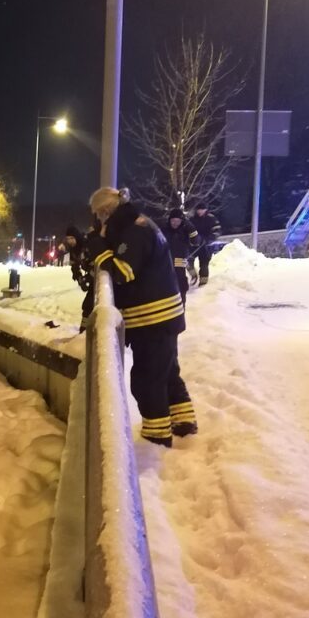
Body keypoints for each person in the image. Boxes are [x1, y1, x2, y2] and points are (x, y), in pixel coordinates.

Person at [86, 187, 198, 447]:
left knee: (147, 380)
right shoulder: (138, 225)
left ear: (105, 212)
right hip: (161, 317)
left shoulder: (135, 231)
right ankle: (183, 423)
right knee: (167, 372)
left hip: (153, 320)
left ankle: (156, 438)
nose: (98, 222)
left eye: (98, 216)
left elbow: (122, 271)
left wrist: (97, 246)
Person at [162, 207, 201, 306]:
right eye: (173, 220)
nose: (175, 223)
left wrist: (191, 228)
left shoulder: (186, 230)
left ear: (181, 221)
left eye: (177, 221)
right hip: (166, 262)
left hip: (180, 260)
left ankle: (181, 305)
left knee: (181, 283)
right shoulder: (164, 230)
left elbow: (196, 241)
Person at [64, 225, 95, 331]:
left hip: (102, 277)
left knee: (89, 304)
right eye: (68, 239)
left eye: (72, 238)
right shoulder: (73, 250)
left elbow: (97, 264)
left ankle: (86, 329)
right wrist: (79, 278)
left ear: (76, 237)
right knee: (88, 305)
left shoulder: (87, 245)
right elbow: (74, 267)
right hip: (91, 277)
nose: (70, 241)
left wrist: (88, 278)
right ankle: (85, 328)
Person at [189, 201, 222, 286]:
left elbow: (217, 231)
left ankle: (203, 282)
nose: (200, 211)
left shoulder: (211, 218)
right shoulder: (192, 219)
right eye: (199, 210)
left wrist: (209, 239)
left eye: (202, 209)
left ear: (206, 209)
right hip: (194, 245)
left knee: (204, 263)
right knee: (188, 261)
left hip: (206, 245)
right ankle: (193, 275)